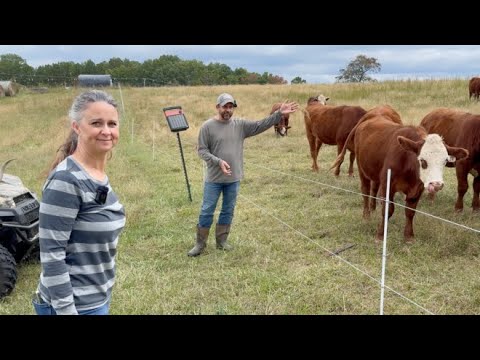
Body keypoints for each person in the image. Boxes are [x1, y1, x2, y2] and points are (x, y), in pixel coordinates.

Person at [32, 90, 126, 315]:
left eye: (112, 123)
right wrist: (66, 310)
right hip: (73, 306)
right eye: (96, 123)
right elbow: (52, 253)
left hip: (96, 298)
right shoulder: (66, 180)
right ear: (76, 127)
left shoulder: (96, 174)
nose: (106, 131)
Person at [188, 93, 299, 256]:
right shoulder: (207, 126)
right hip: (213, 179)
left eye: (230, 107)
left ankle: (222, 241)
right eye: (224, 106)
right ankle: (200, 244)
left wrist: (278, 115)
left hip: (233, 178)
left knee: (228, 209)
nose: (227, 110)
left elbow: (260, 125)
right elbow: (202, 151)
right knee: (207, 210)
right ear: (217, 107)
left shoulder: (240, 125)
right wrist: (218, 161)